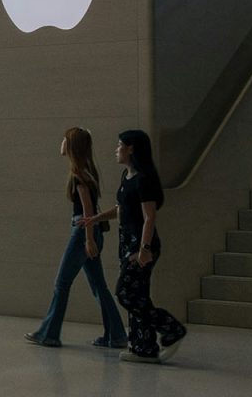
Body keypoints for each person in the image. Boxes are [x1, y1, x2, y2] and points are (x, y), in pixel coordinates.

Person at [77, 129, 187, 363]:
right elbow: (120, 210)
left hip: (141, 246)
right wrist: (95, 219)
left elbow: (149, 217)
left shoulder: (144, 180)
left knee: (126, 294)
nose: (116, 150)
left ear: (131, 149)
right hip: (127, 244)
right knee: (139, 295)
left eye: (120, 145)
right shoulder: (126, 178)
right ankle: (143, 347)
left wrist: (144, 249)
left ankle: (171, 328)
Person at [25, 127, 127, 349]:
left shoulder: (78, 174)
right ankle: (116, 334)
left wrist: (89, 239)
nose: (61, 143)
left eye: (65, 139)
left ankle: (49, 334)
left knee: (62, 283)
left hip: (82, 232)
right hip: (91, 232)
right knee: (99, 286)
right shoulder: (88, 171)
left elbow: (88, 211)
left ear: (71, 146)